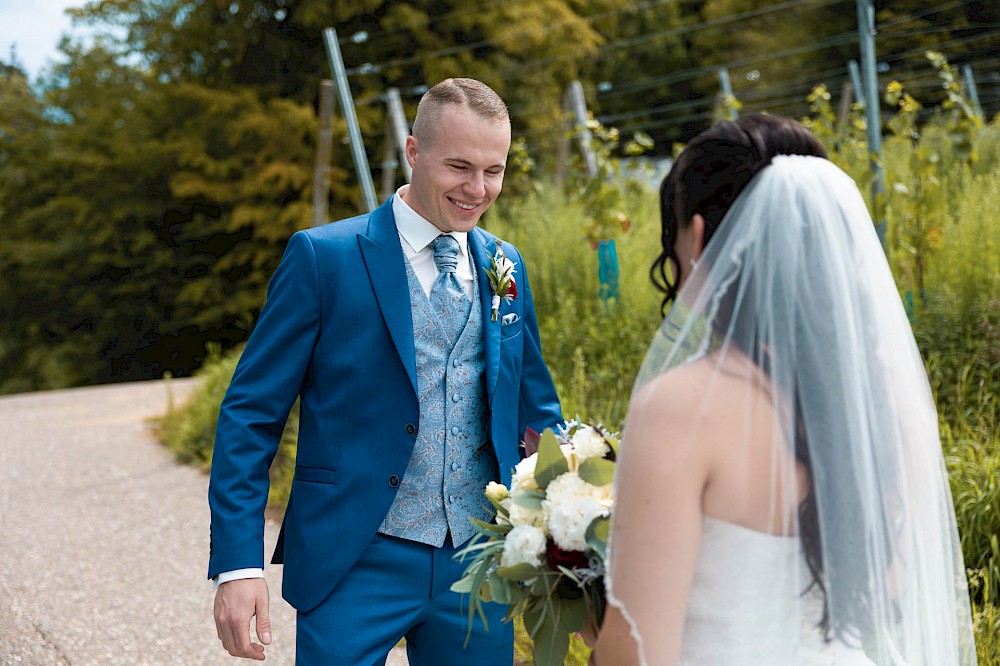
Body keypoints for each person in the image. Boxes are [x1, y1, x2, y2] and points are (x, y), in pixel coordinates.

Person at [589, 114, 977, 665]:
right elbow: (888, 595)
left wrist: (591, 618)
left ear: (697, 239)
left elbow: (637, 654)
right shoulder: (887, 396)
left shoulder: (681, 408)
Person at [208, 77, 562, 665]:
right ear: (413, 152)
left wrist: (570, 527)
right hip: (354, 555)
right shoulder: (325, 258)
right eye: (459, 166)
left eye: (493, 171)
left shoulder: (505, 264)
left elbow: (535, 407)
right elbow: (251, 415)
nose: (478, 190)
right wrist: (237, 564)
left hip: (476, 560)